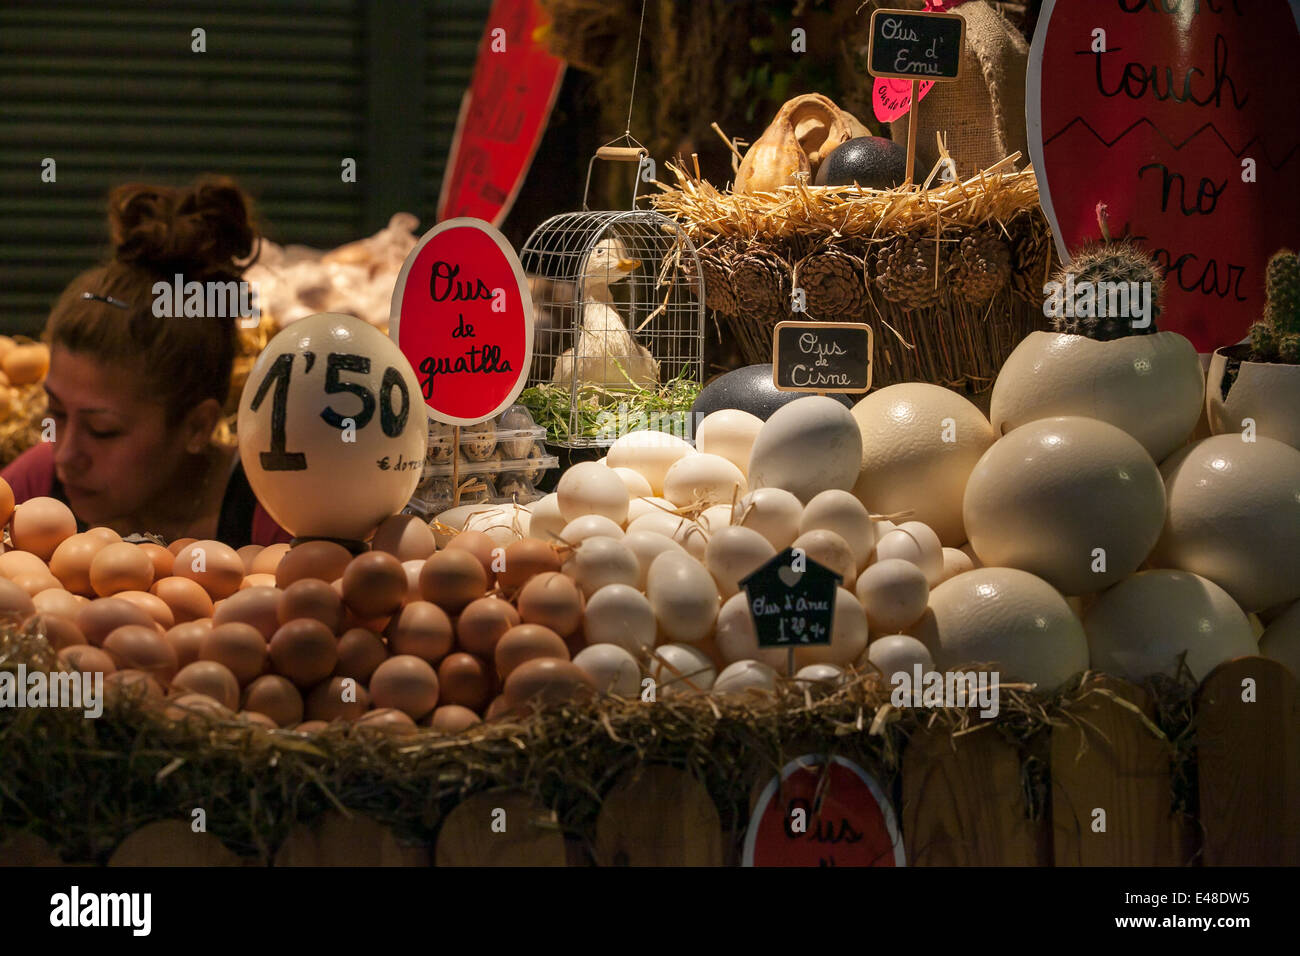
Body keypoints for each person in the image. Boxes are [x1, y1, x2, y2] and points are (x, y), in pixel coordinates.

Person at [1, 176, 291, 547]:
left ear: (197, 427)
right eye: (56, 412)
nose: (66, 453)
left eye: (103, 430)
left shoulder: (272, 517)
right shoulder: (37, 484)